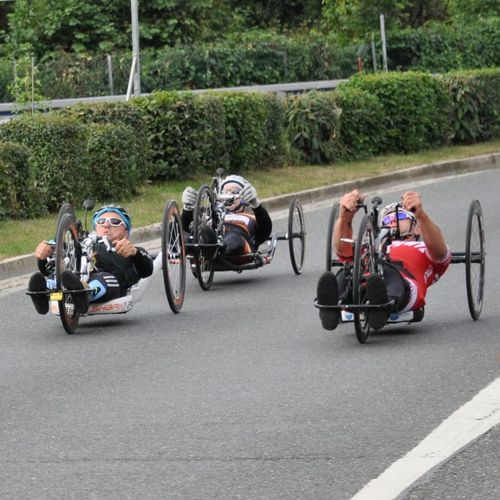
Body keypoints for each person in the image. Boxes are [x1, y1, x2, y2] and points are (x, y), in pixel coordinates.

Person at [317, 189, 451, 331]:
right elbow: (342, 248)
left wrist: (421, 216)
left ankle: (381, 305)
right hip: (365, 277)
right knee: (347, 272)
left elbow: (440, 252)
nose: (392, 222)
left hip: (403, 285)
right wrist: (344, 218)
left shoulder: (424, 247)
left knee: (389, 273)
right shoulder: (370, 245)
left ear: (417, 228)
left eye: (400, 216)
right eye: (387, 220)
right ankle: (331, 308)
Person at [28, 205, 154, 315]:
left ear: (126, 232)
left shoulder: (131, 250)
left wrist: (135, 253)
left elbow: (147, 269)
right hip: (73, 277)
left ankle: (85, 293)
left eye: (115, 221)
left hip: (109, 279)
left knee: (102, 280)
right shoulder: (80, 244)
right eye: (101, 220)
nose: (106, 224)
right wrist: (44, 256)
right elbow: (48, 268)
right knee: (56, 275)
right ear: (95, 228)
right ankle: (43, 291)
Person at [181, 175, 272, 261]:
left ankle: (213, 249)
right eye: (225, 192)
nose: (228, 195)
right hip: (207, 235)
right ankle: (186, 246)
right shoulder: (207, 213)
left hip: (236, 239)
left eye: (235, 192)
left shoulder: (249, 217)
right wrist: (187, 208)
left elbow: (265, 230)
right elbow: (184, 228)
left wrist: (255, 204)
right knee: (184, 231)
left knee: (233, 239)